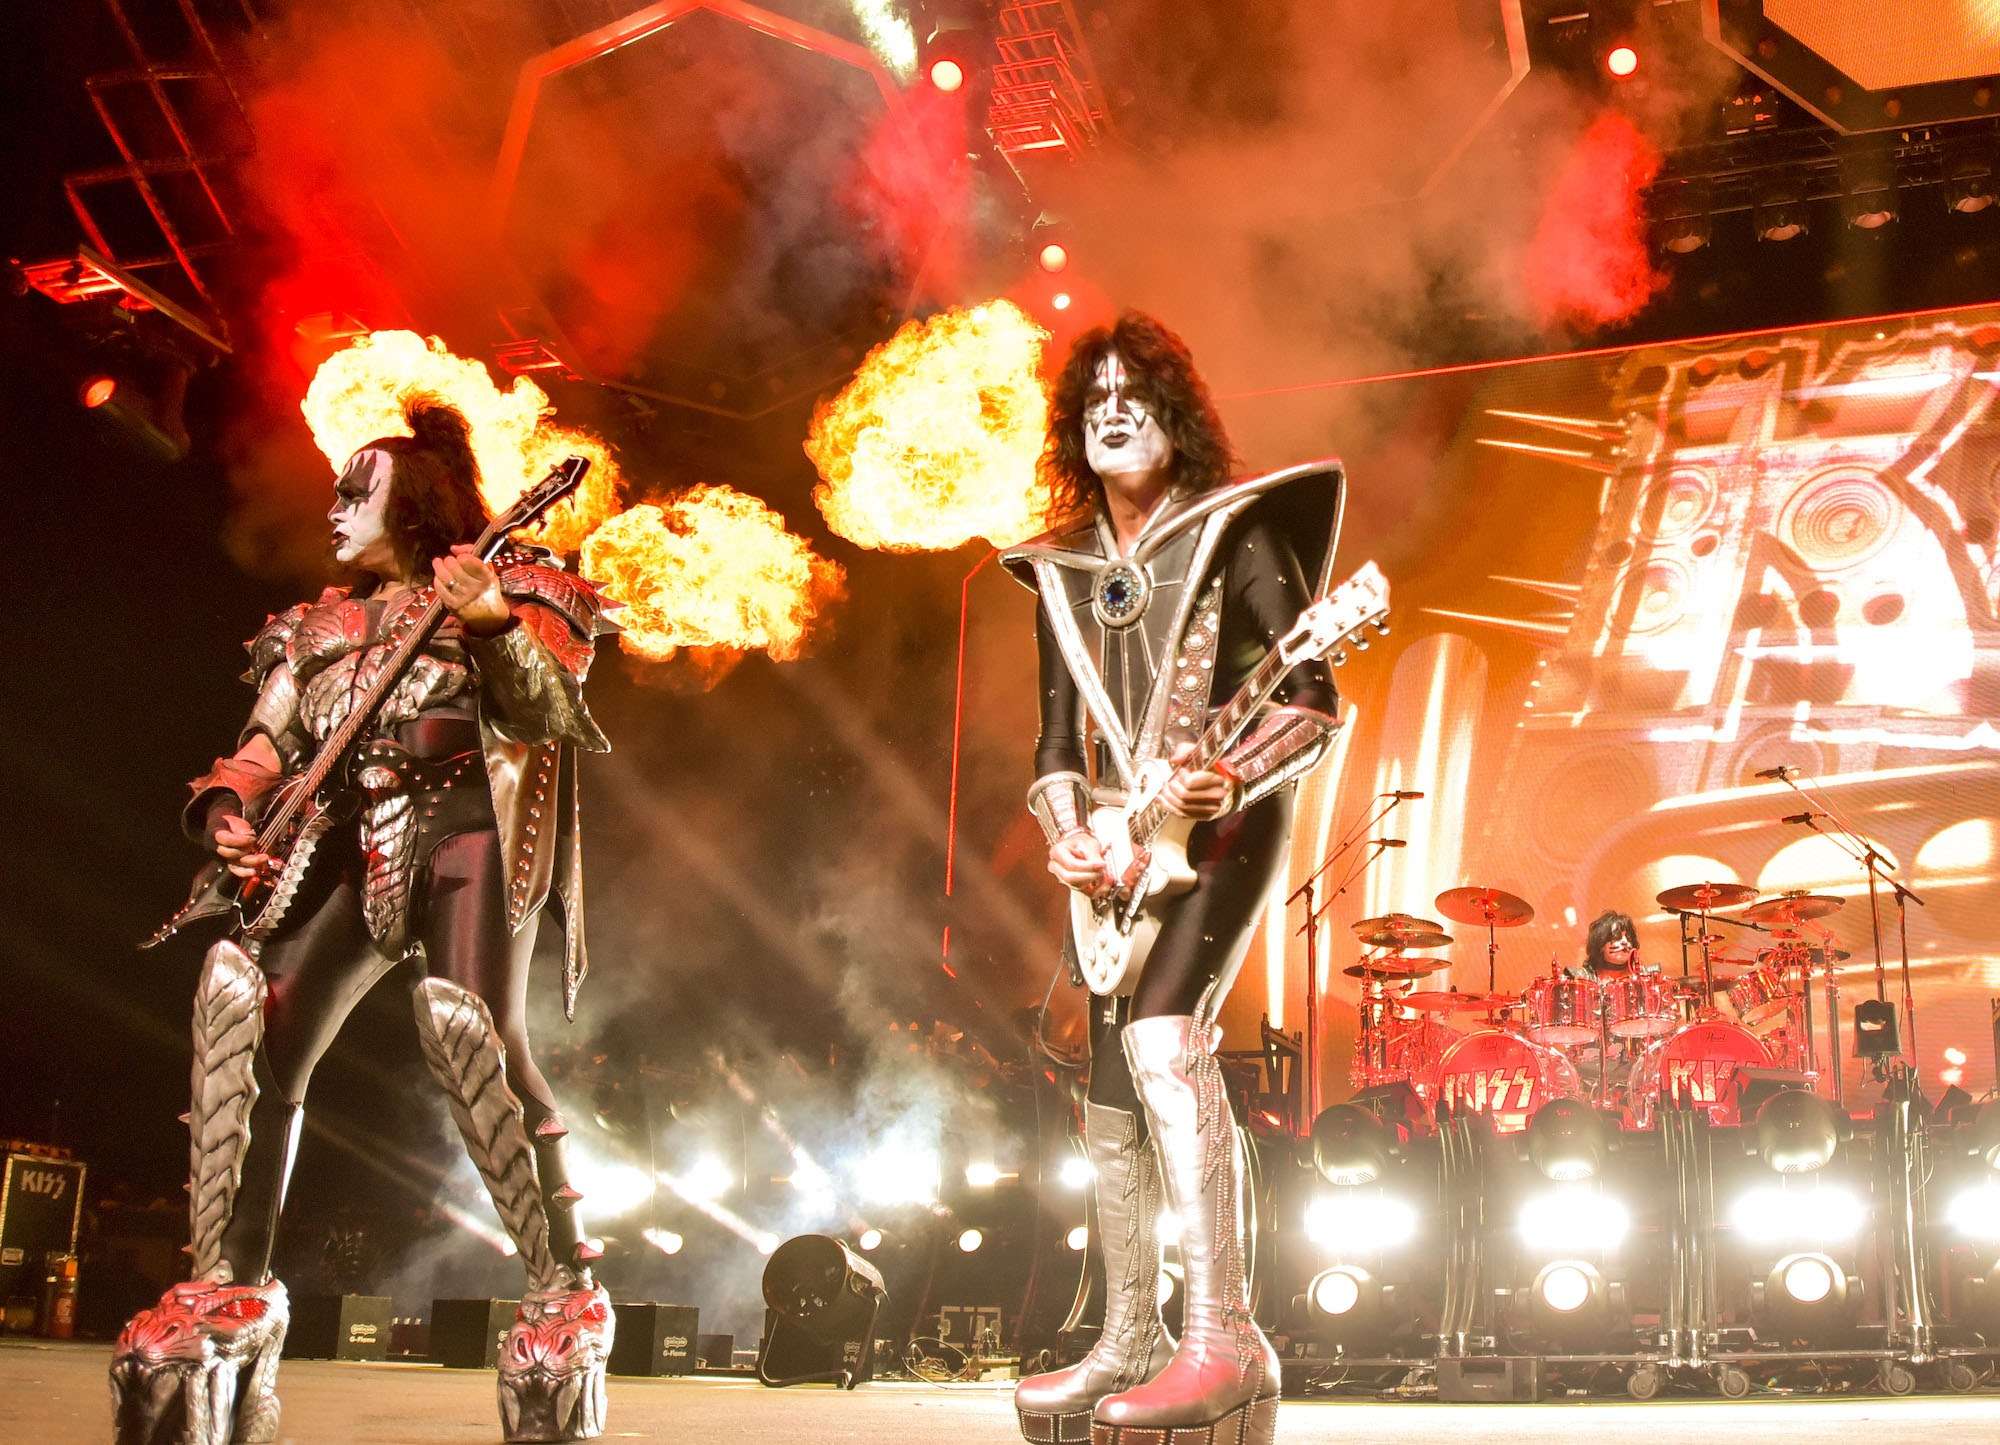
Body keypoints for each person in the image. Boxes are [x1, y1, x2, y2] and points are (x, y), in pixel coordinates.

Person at [110, 399, 618, 1445]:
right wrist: (231, 809)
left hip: (467, 828)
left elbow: (549, 712)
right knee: (244, 1006)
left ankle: (561, 1291)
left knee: (469, 1030)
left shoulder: (523, 582)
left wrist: (490, 622)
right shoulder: (316, 625)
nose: (335, 509)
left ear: (417, 504)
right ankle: (227, 1283)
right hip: (348, 835)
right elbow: (263, 741)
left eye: (358, 491)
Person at [1002, 313, 1343, 1445]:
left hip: (1227, 820)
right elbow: (1056, 746)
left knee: (1161, 1038)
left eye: (1134, 392)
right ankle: (1131, 1335)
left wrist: (1228, 773)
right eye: (1092, 395)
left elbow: (1313, 699)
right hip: (1121, 847)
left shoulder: (1239, 532)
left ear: (1176, 415)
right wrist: (1069, 834)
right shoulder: (1062, 571)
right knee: (1108, 1097)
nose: (1111, 409)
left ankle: (1226, 1337)